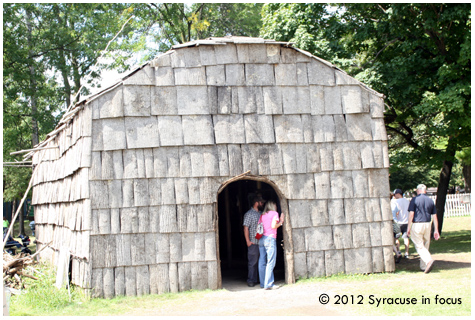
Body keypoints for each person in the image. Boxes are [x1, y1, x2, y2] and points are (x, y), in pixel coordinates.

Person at [407, 184, 440, 273]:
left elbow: (411, 214)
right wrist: (436, 230)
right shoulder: (430, 200)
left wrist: (408, 227)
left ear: (418, 191)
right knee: (426, 244)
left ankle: (428, 260)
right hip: (427, 224)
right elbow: (435, 216)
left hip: (417, 224)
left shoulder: (414, 199)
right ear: (425, 191)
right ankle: (424, 266)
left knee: (419, 245)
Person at [258, 200, 284, 290]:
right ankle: (268, 284)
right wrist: (281, 222)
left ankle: (262, 283)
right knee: (270, 261)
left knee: (262, 261)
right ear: (273, 206)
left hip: (261, 239)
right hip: (270, 238)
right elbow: (273, 226)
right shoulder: (274, 213)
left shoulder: (262, 215)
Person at [243, 195, 265, 287]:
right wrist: (248, 241)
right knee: (253, 262)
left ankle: (260, 279)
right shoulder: (249, 214)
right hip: (253, 242)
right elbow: (246, 228)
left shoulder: (261, 214)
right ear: (257, 203)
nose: (263, 204)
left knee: (262, 261)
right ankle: (251, 280)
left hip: (262, 242)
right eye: (261, 202)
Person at [392, 189, 410, 258]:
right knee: (406, 238)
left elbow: (395, 212)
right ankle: (406, 252)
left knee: (396, 238)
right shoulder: (407, 201)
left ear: (398, 194)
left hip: (398, 222)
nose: (394, 196)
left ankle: (398, 251)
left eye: (395, 194)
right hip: (406, 222)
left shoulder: (396, 202)